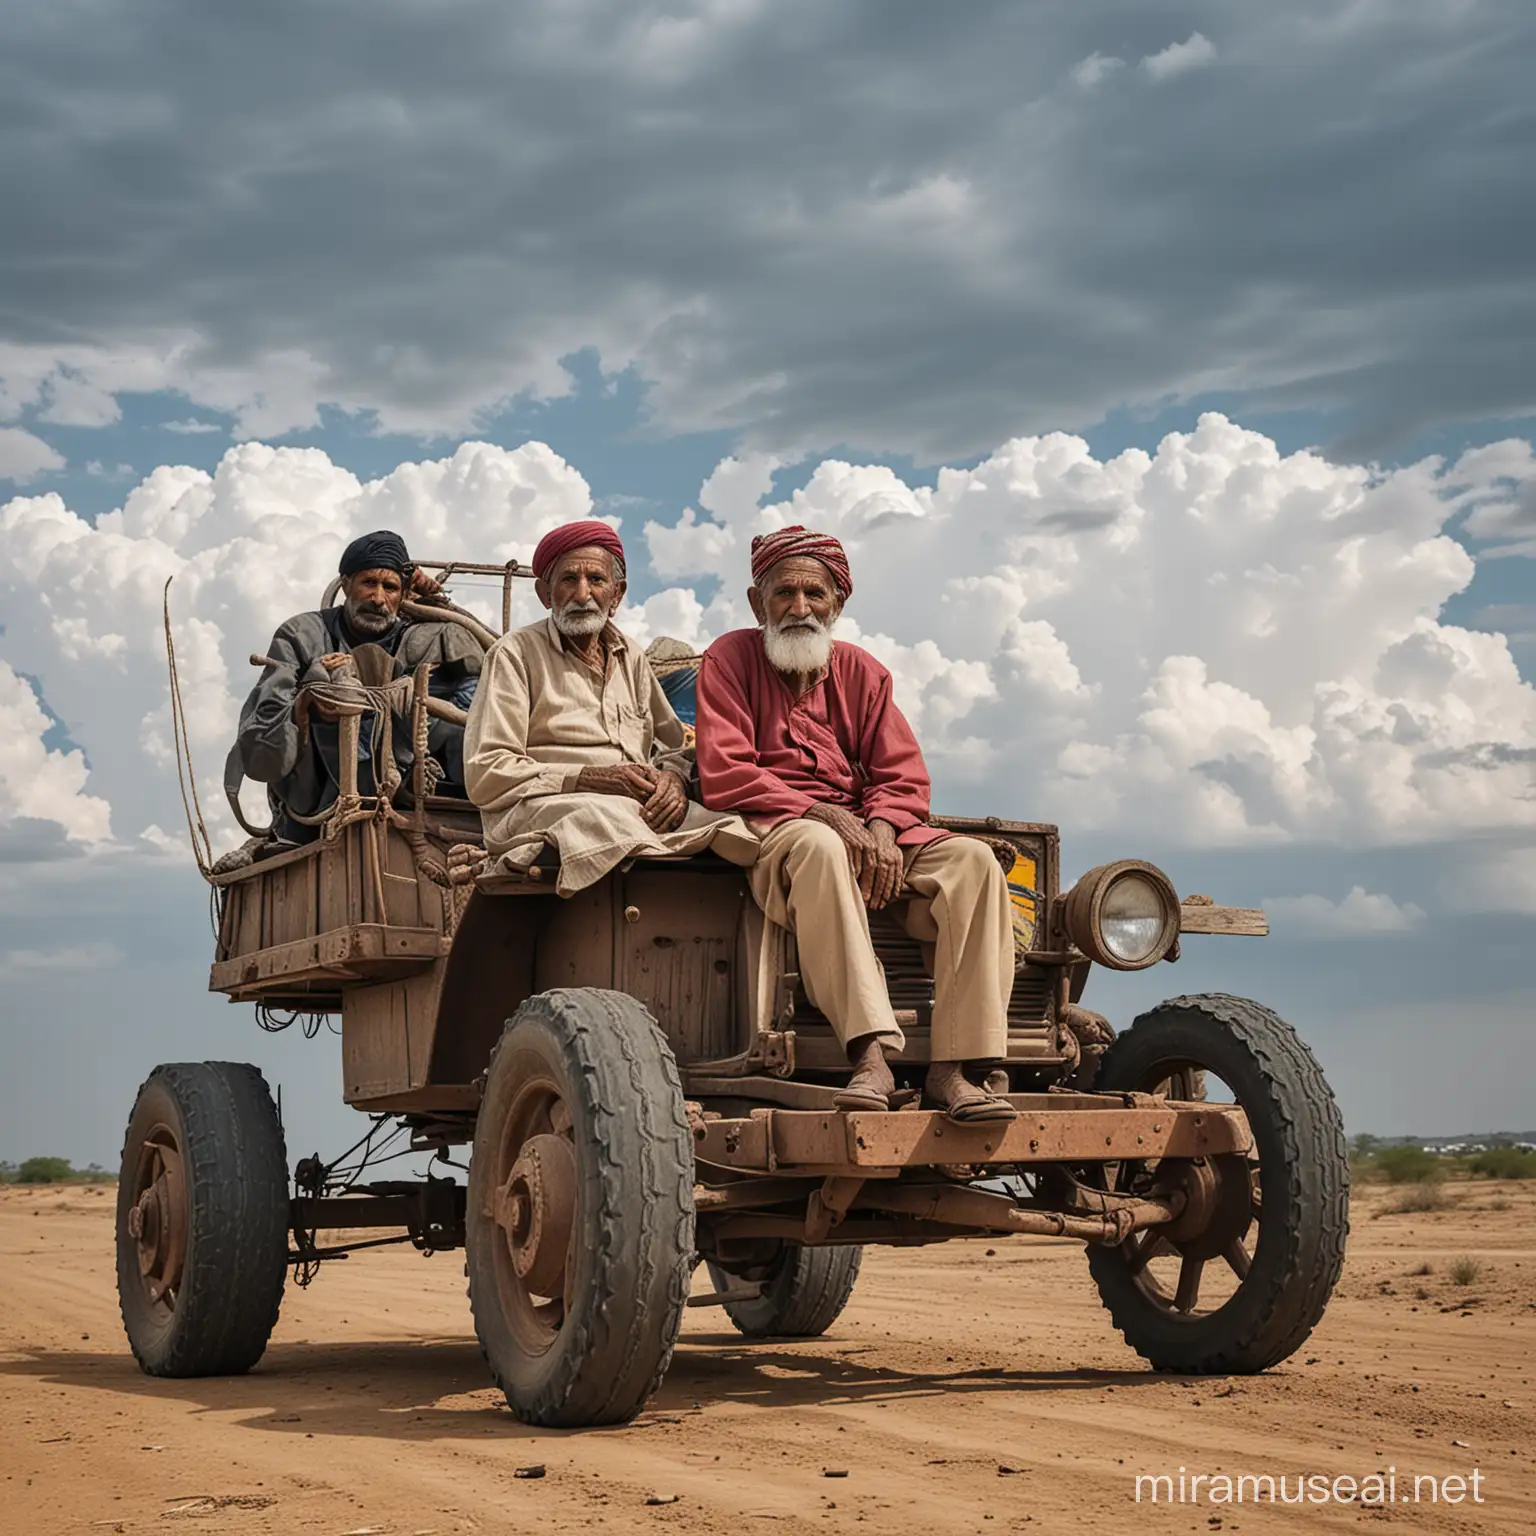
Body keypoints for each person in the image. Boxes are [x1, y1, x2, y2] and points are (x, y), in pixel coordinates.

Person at [694, 525, 1017, 1122]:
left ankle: (955, 1068)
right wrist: (826, 814)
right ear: (755, 602)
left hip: (868, 829)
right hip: (778, 829)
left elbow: (903, 775)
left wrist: (885, 833)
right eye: (783, 593)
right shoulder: (729, 658)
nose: (799, 608)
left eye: (814, 594)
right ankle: (870, 1055)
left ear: (838, 603)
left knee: (972, 862)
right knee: (820, 845)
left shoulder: (863, 671)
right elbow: (725, 772)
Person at [463, 519, 754, 894]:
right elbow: (486, 773)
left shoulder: (630, 655)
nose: (582, 594)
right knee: (603, 817)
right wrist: (586, 778)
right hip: (544, 809)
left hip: (632, 807)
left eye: (596, 581)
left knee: (738, 829)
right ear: (544, 592)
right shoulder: (513, 655)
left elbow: (674, 744)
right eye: (569, 579)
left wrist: (673, 780)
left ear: (616, 595)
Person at [237, 530, 483, 845]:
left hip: (415, 792)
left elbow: (485, 697)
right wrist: (308, 702)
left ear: (403, 593)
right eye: (368, 583)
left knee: (470, 710)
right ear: (346, 585)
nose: (378, 599)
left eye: (390, 587)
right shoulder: (302, 635)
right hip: (319, 798)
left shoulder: (432, 637)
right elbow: (262, 726)